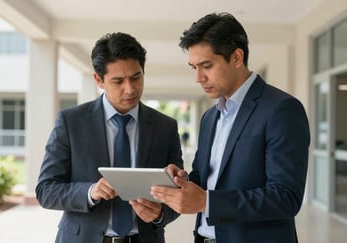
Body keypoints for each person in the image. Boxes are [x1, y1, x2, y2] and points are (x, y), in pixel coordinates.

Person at [151, 12, 310, 243]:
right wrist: (183, 181)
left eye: (206, 65)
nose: (198, 77)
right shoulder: (209, 117)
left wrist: (207, 202)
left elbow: (285, 197)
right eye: (193, 67)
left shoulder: (282, 109)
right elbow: (207, 179)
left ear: (236, 57)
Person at [36, 32, 183, 243]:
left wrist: (160, 214)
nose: (130, 89)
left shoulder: (165, 127)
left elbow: (177, 192)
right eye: (118, 81)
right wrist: (90, 191)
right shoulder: (71, 122)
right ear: (99, 80)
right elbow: (45, 190)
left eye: (136, 77)